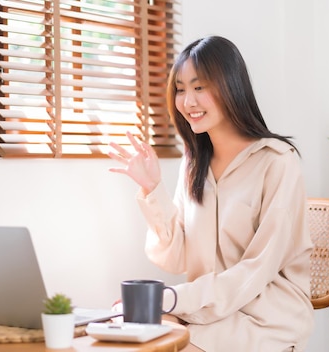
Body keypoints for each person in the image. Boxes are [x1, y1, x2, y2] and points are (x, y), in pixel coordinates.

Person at [108, 35, 314, 352]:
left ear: (231, 85)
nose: (188, 101)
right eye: (180, 88)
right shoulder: (194, 164)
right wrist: (152, 188)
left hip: (264, 320)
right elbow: (176, 257)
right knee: (123, 333)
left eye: (199, 87)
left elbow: (256, 270)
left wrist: (172, 299)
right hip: (203, 312)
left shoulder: (277, 162)